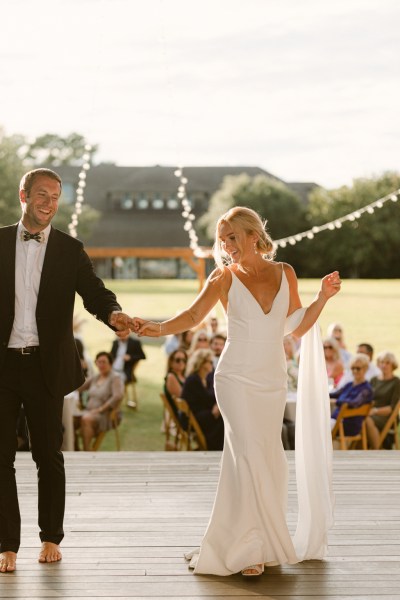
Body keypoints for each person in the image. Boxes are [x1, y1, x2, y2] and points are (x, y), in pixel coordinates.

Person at [133, 206, 341, 576]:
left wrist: (322, 297)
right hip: (235, 379)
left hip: (271, 379)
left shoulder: (285, 272)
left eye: (233, 237)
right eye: (222, 239)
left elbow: (296, 326)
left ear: (254, 236)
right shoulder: (224, 277)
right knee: (246, 454)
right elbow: (194, 316)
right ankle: (247, 550)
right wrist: (157, 328)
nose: (227, 245)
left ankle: (261, 541)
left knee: (269, 459)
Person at [0, 168, 132, 573]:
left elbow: (94, 291)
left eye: (55, 196)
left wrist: (113, 313)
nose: (49, 202)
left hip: (46, 366)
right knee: (0, 457)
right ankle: (6, 544)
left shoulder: (69, 249)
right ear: (24, 195)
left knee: (48, 456)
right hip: (3, 365)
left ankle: (50, 538)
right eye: (41, 193)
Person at [75, 352, 124, 450]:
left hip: (105, 414)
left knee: (86, 419)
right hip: (89, 411)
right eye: (99, 362)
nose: (101, 365)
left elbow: (118, 396)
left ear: (110, 363)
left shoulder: (115, 378)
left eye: (104, 362)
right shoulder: (96, 377)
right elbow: (78, 387)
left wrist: (100, 409)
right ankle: (74, 449)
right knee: (70, 420)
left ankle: (86, 452)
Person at [181, 349, 224, 450]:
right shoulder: (193, 379)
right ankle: (214, 447)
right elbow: (207, 399)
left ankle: (217, 445)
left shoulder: (208, 378)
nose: (211, 364)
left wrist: (217, 405)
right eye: (209, 361)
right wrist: (216, 405)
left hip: (204, 412)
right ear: (201, 363)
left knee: (224, 415)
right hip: (193, 417)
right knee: (223, 418)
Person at [330, 353, 373, 435]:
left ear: (365, 369)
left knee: (318, 427)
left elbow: (354, 403)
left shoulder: (366, 389)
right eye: (353, 368)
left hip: (347, 425)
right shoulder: (349, 384)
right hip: (336, 421)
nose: (355, 371)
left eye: (358, 368)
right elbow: (334, 394)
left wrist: (335, 402)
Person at [366, 351, 400, 449]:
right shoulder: (374, 380)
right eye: (382, 362)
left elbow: (393, 408)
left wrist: (374, 411)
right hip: (370, 412)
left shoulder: (396, 382)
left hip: (387, 415)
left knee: (367, 420)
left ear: (393, 365)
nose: (384, 365)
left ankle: (377, 450)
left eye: (387, 363)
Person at [110, 332, 146, 408]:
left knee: (117, 381)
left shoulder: (135, 343)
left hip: (125, 371)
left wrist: (130, 357)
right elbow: (111, 355)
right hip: (113, 369)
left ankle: (114, 404)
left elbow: (143, 356)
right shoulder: (115, 342)